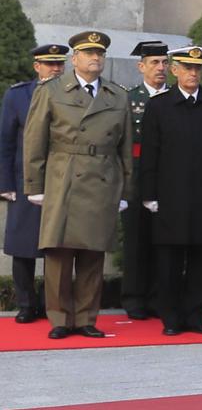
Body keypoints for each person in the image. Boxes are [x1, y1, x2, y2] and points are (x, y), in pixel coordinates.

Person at [23, 31, 131, 339]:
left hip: (102, 178)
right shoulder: (51, 90)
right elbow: (34, 140)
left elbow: (125, 147)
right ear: (75, 59)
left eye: (99, 54)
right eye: (88, 53)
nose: (95, 58)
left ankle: (86, 318)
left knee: (92, 253)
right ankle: (59, 318)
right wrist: (34, 184)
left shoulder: (116, 95)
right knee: (59, 252)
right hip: (63, 176)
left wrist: (125, 189)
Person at [135, 46, 202, 335]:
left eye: (198, 69)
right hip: (170, 197)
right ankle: (171, 318)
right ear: (175, 70)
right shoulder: (160, 105)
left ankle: (196, 316)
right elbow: (150, 154)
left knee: (201, 259)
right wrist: (149, 195)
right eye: (187, 68)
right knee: (169, 260)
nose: (193, 73)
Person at [0, 43, 67, 323]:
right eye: (49, 63)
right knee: (23, 246)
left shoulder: (72, 93)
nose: (55, 68)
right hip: (24, 180)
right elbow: (5, 140)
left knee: (59, 248)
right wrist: (5, 183)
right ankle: (27, 304)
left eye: (59, 64)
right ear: (36, 66)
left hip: (62, 180)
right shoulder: (17, 96)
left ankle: (55, 305)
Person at [120, 38, 171, 319]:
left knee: (164, 242)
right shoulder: (129, 99)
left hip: (168, 180)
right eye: (154, 63)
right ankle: (134, 297)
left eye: (165, 62)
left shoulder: (175, 98)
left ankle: (158, 298)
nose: (160, 68)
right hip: (137, 179)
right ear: (141, 66)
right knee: (136, 240)